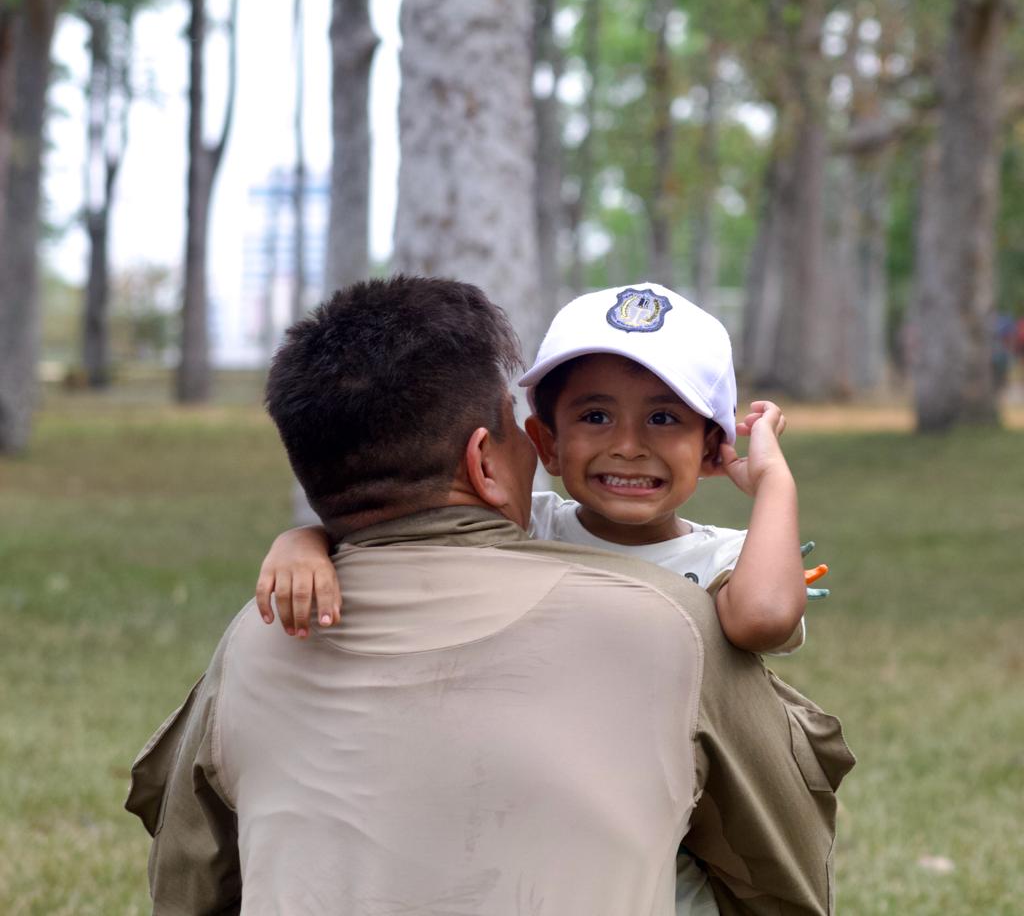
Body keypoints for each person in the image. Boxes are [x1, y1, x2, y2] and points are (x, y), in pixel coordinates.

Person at [126, 276, 853, 915]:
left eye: (664, 417)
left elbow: (189, 879)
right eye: (592, 417)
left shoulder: (256, 640)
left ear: (712, 442)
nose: (628, 445)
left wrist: (774, 485)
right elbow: (782, 878)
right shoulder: (671, 624)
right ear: (503, 456)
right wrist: (305, 542)